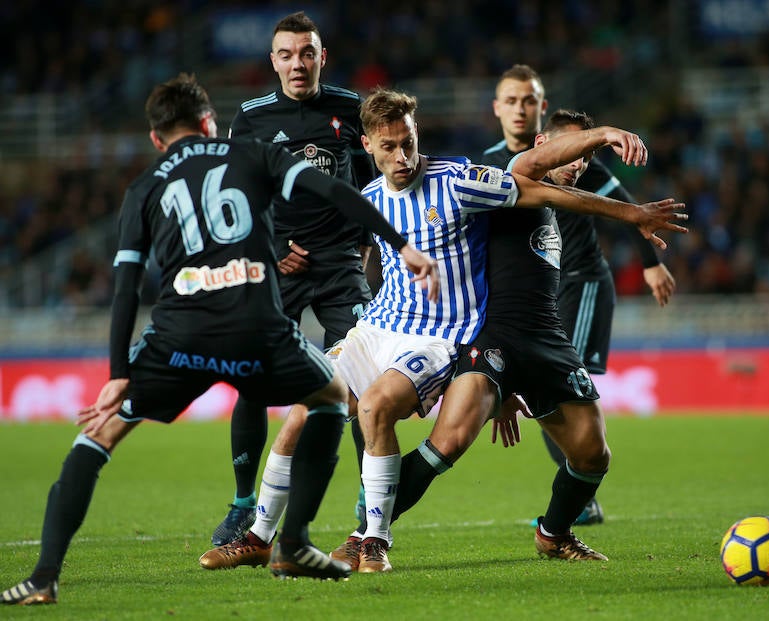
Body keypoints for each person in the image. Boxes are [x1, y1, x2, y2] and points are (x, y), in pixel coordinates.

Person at [0, 74, 439, 605]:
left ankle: (44, 577)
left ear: (157, 138)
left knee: (99, 436)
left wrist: (118, 373)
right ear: (209, 123)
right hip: (256, 326)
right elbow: (336, 192)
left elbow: (125, 287)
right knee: (329, 396)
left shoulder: (144, 186)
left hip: (179, 334)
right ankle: (294, 542)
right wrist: (402, 246)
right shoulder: (253, 153)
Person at [326, 88, 687, 572]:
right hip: (491, 338)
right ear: (542, 145)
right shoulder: (515, 172)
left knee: (592, 453)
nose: (578, 163)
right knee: (447, 443)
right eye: (571, 151)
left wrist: (632, 214)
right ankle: (366, 534)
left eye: (586, 158)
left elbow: (581, 199)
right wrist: (603, 135)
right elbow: (535, 166)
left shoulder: (557, 205)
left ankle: (554, 534)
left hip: (545, 338)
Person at [209, 11, 377, 549]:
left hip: (340, 265)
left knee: (362, 379)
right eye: (287, 54)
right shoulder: (251, 117)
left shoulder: (351, 108)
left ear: (321, 57)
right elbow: (234, 198)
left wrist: (366, 246)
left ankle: (369, 498)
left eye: (307, 53)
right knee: (253, 377)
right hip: (279, 265)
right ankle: (243, 503)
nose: (297, 63)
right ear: (273, 61)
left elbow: (371, 185)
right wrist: (274, 248)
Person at [482, 64, 677, 525]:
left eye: (529, 100)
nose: (520, 109)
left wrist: (650, 264)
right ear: (497, 108)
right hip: (534, 297)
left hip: (581, 282)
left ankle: (580, 497)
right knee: (546, 393)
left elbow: (628, 208)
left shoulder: (576, 155)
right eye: (511, 100)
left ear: (541, 108)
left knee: (561, 393)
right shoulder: (490, 161)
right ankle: (576, 492)